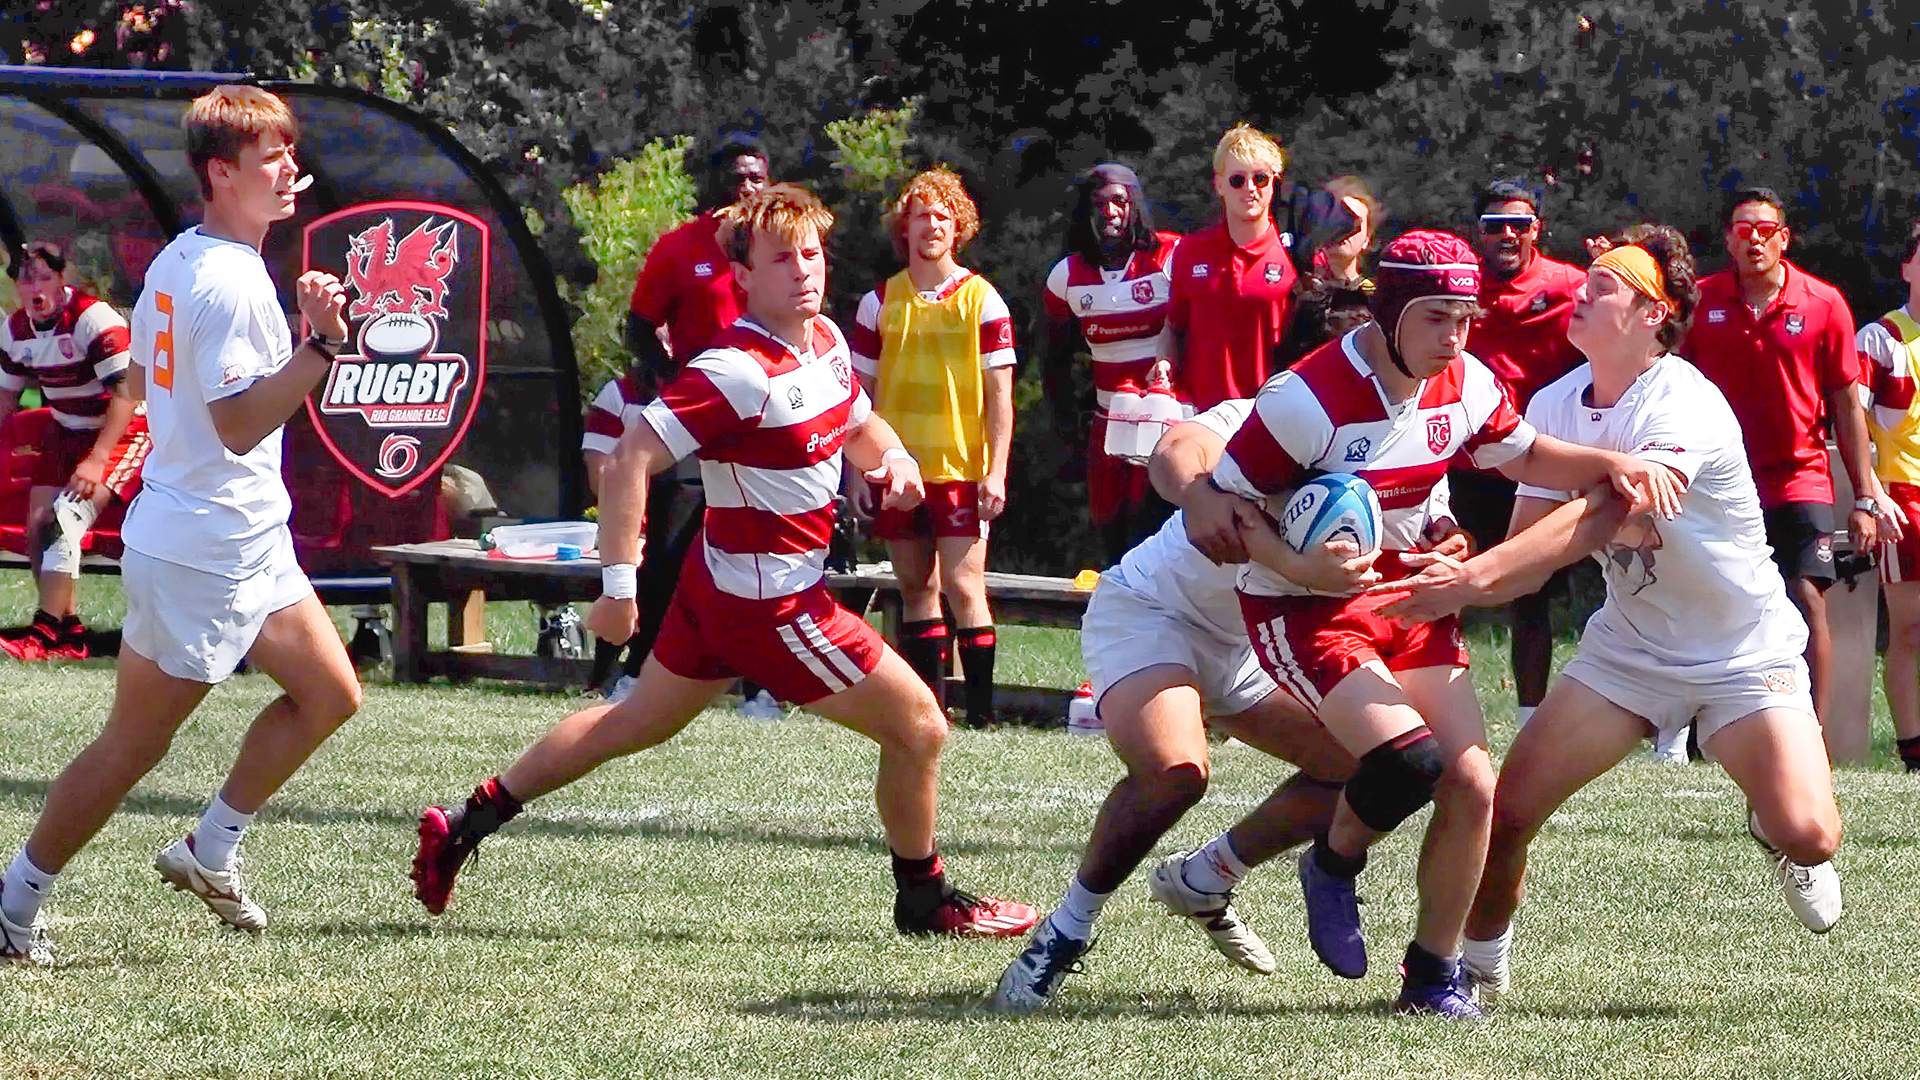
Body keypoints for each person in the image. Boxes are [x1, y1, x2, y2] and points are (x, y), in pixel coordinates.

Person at [410, 184, 1037, 939]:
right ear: (743, 276)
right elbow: (632, 454)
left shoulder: (828, 342)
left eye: (812, 253)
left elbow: (861, 424)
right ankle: (925, 898)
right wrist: (617, 587)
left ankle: (464, 823)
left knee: (629, 723)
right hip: (768, 608)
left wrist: (898, 460)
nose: (804, 270)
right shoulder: (738, 368)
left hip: (725, 587)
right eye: (782, 258)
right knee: (921, 728)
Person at [1210, 229, 1681, 1017]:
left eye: (1464, 317)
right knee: (1409, 761)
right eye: (1436, 318)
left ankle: (1432, 976)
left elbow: (1527, 455)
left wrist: (1608, 466)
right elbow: (1222, 512)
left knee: (1471, 783)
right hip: (1304, 606)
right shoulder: (1307, 398)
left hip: (1409, 591)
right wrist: (1303, 568)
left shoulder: (1464, 380)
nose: (1454, 338)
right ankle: (1332, 861)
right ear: (1390, 310)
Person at [1373, 226, 1846, 1006]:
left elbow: (1601, 513)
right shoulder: (1557, 401)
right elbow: (1534, 537)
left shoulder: (1684, 401)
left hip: (1742, 655)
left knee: (1810, 832)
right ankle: (1478, 963)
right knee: (1505, 812)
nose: (1580, 295)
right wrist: (1462, 553)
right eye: (1582, 282)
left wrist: (1475, 581)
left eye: (1602, 288)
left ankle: (1776, 833)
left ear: (1653, 314)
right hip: (1627, 654)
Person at [1, 85, 363, 965]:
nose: (288, 170)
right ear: (218, 172)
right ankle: (15, 903)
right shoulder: (230, 279)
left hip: (241, 535)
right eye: (268, 157)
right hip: (202, 546)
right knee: (133, 745)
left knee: (330, 694)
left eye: (289, 151)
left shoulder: (188, 256)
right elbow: (240, 424)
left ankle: (211, 847)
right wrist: (322, 343)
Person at [994, 398, 1482, 1013]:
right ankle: (1064, 932)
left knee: (1377, 764)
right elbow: (1178, 451)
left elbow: (1431, 527)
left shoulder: (1407, 440)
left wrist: (1448, 543)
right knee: (1176, 773)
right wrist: (1202, 496)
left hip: (1259, 642)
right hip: (1157, 614)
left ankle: (1207, 875)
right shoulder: (1285, 412)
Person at [1682, 187, 1901, 747]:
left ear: (1784, 238)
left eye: (1764, 229)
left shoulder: (1824, 303)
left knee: (1806, 598)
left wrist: (1866, 498)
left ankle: (1813, 739)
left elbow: (1847, 407)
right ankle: (1700, 735)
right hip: (1717, 483)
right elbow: (1671, 391)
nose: (1753, 238)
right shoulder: (1701, 304)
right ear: (1728, 239)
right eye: (1742, 228)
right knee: (1710, 604)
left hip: (1798, 479)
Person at [605, 134, 778, 715]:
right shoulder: (680, 248)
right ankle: (636, 672)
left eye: (756, 179)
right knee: (672, 550)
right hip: (694, 422)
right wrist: (676, 378)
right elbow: (638, 327)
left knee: (763, 554)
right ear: (712, 186)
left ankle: (763, 687)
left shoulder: (784, 249)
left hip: (765, 424)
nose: (746, 189)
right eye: (736, 179)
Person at [848, 168, 1015, 726]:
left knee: (966, 586)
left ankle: (983, 717)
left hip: (962, 468)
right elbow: (859, 397)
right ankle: (930, 709)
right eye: (922, 216)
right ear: (906, 228)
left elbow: (1000, 398)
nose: (932, 226)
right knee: (916, 586)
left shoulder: (983, 301)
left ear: (959, 226)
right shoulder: (879, 302)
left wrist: (997, 472)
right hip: (898, 472)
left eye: (943, 216)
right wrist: (857, 473)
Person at [1447, 179, 1589, 729]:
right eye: (1493, 225)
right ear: (1476, 232)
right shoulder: (1458, 284)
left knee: (1531, 593)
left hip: (1533, 464)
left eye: (1518, 223)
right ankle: (1429, 704)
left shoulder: (1572, 286)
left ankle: (1531, 716)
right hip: (1462, 464)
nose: (1506, 234)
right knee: (1444, 580)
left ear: (1538, 228)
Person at [0, 240, 150, 660]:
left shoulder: (91, 318)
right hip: (65, 429)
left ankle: (45, 634)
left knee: (64, 518)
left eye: (45, 277)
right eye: (26, 279)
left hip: (124, 429)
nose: (35, 288)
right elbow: (5, 399)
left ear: (64, 279)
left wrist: (98, 458)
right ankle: (67, 630)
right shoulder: (15, 329)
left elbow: (127, 395)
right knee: (36, 526)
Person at [1040, 163, 1181, 563]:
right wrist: (1067, 429)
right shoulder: (1066, 277)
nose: (1110, 213)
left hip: (1168, 420)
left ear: (1134, 204)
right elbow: (1053, 361)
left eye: (1119, 201)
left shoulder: (1170, 256)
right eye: (1097, 203)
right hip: (1108, 423)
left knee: (1159, 524)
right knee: (1111, 529)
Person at [1156, 124, 1298, 411]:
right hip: (1202, 419)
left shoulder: (1296, 258)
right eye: (1237, 180)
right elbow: (1173, 327)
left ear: (1274, 183)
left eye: (1260, 178)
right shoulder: (1189, 251)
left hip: (1274, 420)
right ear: (1219, 184)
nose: (1250, 189)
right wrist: (1163, 365)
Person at [1855, 220, 1920, 772]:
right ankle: (1913, 750)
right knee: (1911, 629)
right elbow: (1850, 417)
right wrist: (1873, 493)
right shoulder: (1882, 338)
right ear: (1907, 267)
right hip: (1906, 495)